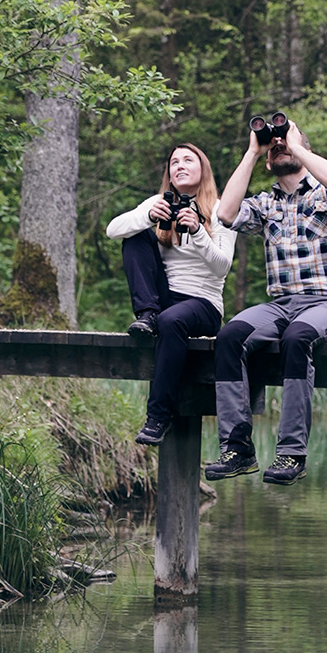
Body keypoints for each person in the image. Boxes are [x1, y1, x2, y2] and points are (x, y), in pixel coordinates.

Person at [204, 117, 327, 486]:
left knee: (297, 339)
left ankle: (291, 453)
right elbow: (224, 214)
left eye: (285, 142)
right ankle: (237, 448)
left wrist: (298, 145)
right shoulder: (264, 204)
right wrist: (253, 152)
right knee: (229, 337)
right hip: (280, 306)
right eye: (276, 148)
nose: (280, 147)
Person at [107, 144, 237, 445]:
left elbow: (222, 267)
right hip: (164, 300)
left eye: (188, 160)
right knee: (133, 236)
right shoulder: (160, 203)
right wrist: (148, 217)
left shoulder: (220, 210)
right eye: (174, 162)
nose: (179, 165)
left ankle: (158, 416)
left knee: (171, 320)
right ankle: (146, 314)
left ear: (203, 168)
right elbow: (113, 230)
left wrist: (200, 231)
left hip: (203, 304)